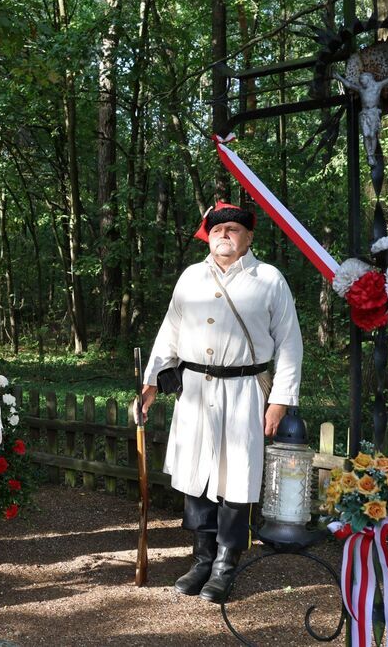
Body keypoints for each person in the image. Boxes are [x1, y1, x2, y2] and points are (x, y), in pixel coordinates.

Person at [135, 201, 303, 602]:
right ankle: (202, 558)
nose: (224, 235)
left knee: (237, 478)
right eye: (217, 230)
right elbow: (169, 332)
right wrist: (152, 382)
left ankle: (226, 563)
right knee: (197, 475)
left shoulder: (269, 279)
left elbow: (290, 345)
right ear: (207, 237)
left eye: (232, 229)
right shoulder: (191, 277)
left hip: (245, 391)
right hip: (194, 390)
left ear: (248, 237)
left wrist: (280, 400)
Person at [334, 61, 388, 167]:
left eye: (363, 80)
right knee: (366, 135)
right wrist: (338, 77)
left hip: (373, 113)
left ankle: (372, 154)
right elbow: (349, 84)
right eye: (360, 81)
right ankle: (370, 155)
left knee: (372, 134)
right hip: (364, 113)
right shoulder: (361, 89)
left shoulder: (377, 86)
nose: (361, 82)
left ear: (368, 79)